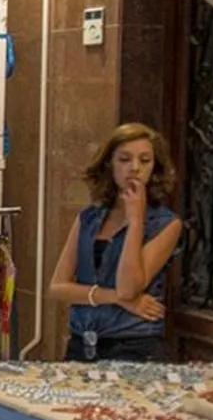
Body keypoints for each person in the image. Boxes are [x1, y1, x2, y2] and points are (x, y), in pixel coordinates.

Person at [44, 122, 182, 363]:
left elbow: (129, 288)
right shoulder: (89, 217)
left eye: (145, 160)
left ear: (154, 167)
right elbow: (58, 287)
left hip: (133, 345)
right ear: (110, 163)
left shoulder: (166, 224)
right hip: (82, 342)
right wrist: (115, 298)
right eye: (125, 159)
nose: (135, 168)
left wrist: (136, 220)